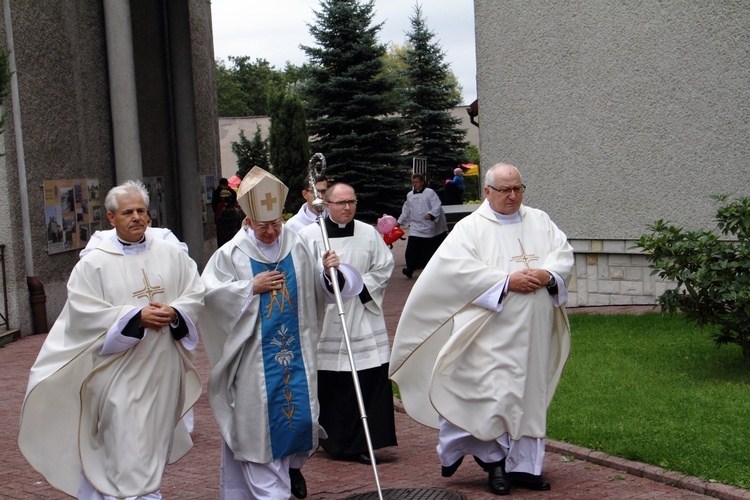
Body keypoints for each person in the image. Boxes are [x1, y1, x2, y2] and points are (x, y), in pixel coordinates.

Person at [389, 163, 574, 496]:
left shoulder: (540, 221)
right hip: (489, 333)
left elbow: (563, 254)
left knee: (529, 394)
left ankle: (526, 467)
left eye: (518, 188)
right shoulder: (470, 228)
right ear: (487, 192)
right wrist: (504, 281)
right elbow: (453, 272)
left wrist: (549, 275)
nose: (513, 196)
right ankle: (497, 465)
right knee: (495, 396)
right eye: (505, 190)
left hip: (534, 331)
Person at [18, 180, 205, 499]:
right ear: (111, 218)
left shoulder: (171, 254)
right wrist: (135, 317)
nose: (137, 217)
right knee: (122, 445)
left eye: (142, 211)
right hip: (115, 373)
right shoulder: (94, 263)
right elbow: (83, 312)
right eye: (128, 212)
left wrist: (175, 311)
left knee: (149, 448)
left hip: (161, 370)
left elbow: (196, 293)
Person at [200, 167, 363, 499]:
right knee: (258, 433)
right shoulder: (230, 255)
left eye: (275, 223)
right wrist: (249, 288)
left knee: (294, 427)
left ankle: (286, 479)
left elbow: (319, 291)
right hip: (252, 363)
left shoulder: (297, 244)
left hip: (297, 358)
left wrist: (330, 273)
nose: (272, 231)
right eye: (263, 226)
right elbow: (210, 299)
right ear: (248, 221)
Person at [299, 182, 398, 465]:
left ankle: (365, 442)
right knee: (333, 382)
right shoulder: (309, 236)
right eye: (340, 203)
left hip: (362, 317)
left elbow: (384, 267)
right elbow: (302, 274)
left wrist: (354, 283)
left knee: (366, 378)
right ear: (326, 205)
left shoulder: (368, 233)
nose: (347, 208)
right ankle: (333, 441)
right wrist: (327, 278)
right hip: (328, 320)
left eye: (351, 202)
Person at [397, 172, 448, 278]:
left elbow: (436, 204)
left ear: (422, 182)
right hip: (415, 226)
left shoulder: (429, 193)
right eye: (413, 182)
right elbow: (406, 209)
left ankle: (426, 269)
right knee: (411, 249)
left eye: (416, 182)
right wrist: (399, 222)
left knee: (426, 250)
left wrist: (431, 214)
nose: (414, 184)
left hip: (427, 226)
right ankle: (409, 269)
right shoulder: (410, 195)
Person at [212, 177, 243, 246]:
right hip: (232, 233)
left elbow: (218, 220)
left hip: (225, 234)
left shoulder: (222, 210)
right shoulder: (236, 211)